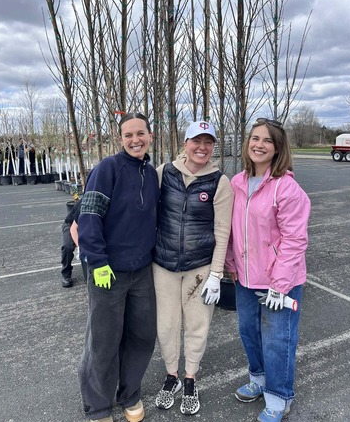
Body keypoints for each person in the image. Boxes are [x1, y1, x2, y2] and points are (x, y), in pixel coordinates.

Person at [225, 118, 311, 422]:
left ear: (277, 149)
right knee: (249, 331)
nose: (259, 144)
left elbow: (295, 239)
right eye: (254, 138)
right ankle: (259, 380)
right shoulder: (237, 182)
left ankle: (279, 396)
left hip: (278, 283)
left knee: (278, 340)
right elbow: (233, 230)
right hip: (245, 278)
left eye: (267, 141)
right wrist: (231, 262)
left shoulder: (286, 188)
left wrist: (280, 283)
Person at [78, 113, 159, 422]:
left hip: (143, 272)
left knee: (141, 335)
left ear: (150, 135)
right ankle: (98, 405)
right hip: (108, 273)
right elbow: (89, 217)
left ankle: (129, 393)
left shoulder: (150, 174)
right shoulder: (106, 170)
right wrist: (97, 261)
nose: (135, 139)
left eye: (140, 133)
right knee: (104, 340)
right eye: (128, 135)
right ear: (120, 139)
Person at [153, 120, 233, 416]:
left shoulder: (219, 181)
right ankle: (171, 375)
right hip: (163, 264)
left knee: (197, 324)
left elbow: (223, 229)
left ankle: (190, 378)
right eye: (196, 141)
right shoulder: (165, 173)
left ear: (213, 146)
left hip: (200, 267)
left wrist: (216, 273)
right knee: (167, 324)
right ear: (184, 143)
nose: (202, 147)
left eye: (208, 142)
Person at [61, 199, 87, 287]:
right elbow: (73, 228)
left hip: (85, 225)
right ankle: (66, 274)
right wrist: (79, 246)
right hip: (71, 225)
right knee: (67, 246)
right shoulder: (86, 203)